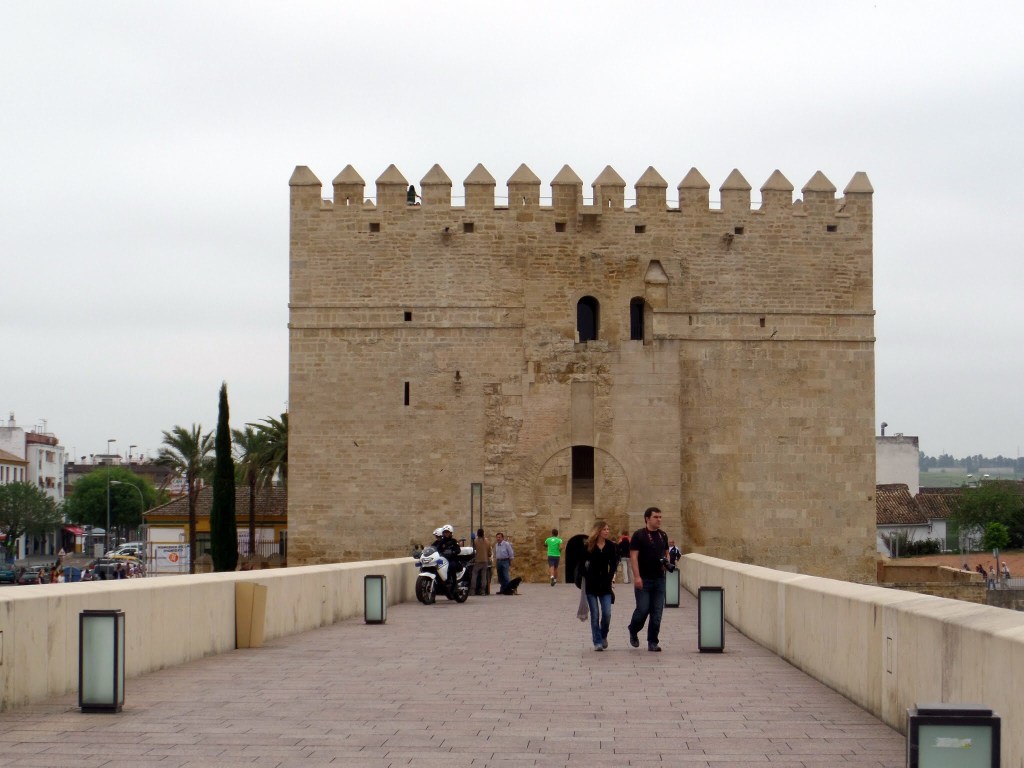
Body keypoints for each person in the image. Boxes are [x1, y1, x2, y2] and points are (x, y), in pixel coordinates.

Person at [627, 506, 670, 652]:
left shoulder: (663, 535)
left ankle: (653, 641)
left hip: (659, 579)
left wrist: (666, 562)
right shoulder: (639, 535)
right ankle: (633, 629)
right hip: (643, 579)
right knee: (643, 609)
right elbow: (634, 557)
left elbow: (666, 552)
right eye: (656, 517)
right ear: (647, 519)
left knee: (657, 612)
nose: (659, 520)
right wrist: (637, 577)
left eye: (660, 517)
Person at [581, 521, 618, 651]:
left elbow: (614, 563)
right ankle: (597, 641)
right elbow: (581, 564)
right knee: (595, 614)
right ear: (598, 531)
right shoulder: (589, 545)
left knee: (607, 613)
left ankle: (603, 635)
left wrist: (610, 576)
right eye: (604, 529)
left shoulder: (610, 546)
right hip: (592, 585)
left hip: (605, 584)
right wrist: (587, 575)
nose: (607, 531)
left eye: (608, 529)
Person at [432, 524, 461, 593]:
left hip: (452, 559)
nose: (446, 534)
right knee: (435, 566)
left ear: (451, 533)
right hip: (443, 560)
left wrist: (453, 551)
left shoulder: (454, 541)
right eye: (445, 532)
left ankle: (454, 585)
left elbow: (458, 550)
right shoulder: (442, 542)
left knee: (451, 566)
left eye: (447, 532)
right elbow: (437, 548)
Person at [472, 528, 490, 596]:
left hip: (477, 560)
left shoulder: (475, 541)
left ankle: (472, 591)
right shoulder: (487, 541)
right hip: (485, 560)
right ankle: (483, 591)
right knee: (484, 576)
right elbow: (489, 553)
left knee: (474, 575)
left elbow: (473, 550)